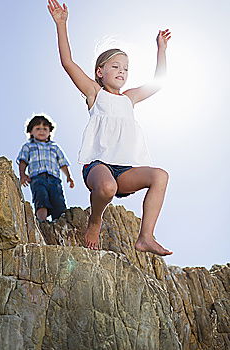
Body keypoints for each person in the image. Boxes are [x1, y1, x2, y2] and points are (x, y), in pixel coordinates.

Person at [48, 0, 173, 256]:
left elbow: (160, 82)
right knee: (107, 188)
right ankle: (95, 220)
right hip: (97, 167)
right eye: (115, 66)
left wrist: (161, 48)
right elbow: (67, 62)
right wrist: (61, 24)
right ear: (100, 71)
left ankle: (145, 237)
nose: (122, 71)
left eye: (125, 68)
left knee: (160, 175)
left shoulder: (130, 98)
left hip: (125, 169)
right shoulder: (95, 93)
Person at [16, 114, 74, 222]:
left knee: (58, 201)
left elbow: (62, 163)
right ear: (31, 132)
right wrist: (22, 175)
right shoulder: (28, 146)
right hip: (37, 178)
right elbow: (23, 161)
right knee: (41, 199)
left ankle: (60, 224)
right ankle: (42, 222)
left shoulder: (54, 147)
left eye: (45, 129)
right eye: (38, 128)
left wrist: (69, 177)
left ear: (49, 132)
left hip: (54, 179)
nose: (41, 131)